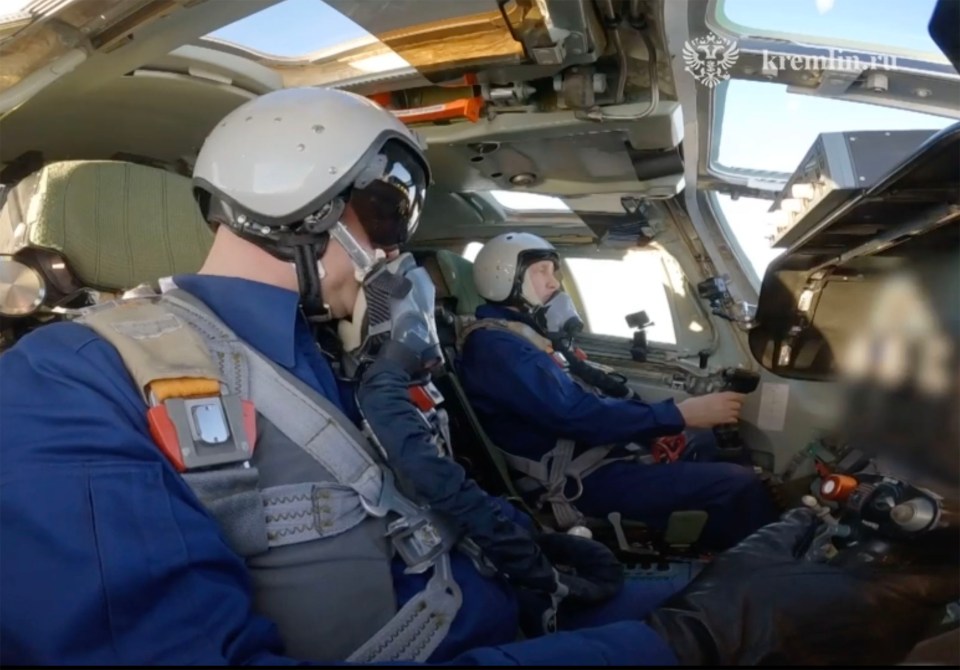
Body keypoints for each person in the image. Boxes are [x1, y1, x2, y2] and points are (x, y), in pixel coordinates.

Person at [0, 87, 953, 667]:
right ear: (298, 202)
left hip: (511, 612)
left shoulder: (331, 355)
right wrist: (696, 643)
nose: (396, 254)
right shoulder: (74, 380)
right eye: (385, 212)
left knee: (820, 572)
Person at [458, 232, 778, 549]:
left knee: (711, 443)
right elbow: (574, 415)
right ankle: (765, 573)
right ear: (501, 277)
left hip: (597, 457)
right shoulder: (497, 349)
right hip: (576, 482)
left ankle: (719, 549)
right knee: (739, 485)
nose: (554, 283)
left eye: (553, 272)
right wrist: (680, 413)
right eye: (541, 271)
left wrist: (656, 430)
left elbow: (589, 400)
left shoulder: (525, 338)